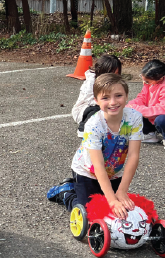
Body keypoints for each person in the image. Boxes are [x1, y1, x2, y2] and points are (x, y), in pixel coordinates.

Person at [47, 73, 143, 219]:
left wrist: (122, 191)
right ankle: (66, 192)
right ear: (96, 100)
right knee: (91, 213)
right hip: (87, 171)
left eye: (118, 95)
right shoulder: (94, 124)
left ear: (127, 96)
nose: (113, 102)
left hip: (113, 172)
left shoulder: (133, 118)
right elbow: (97, 164)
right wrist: (111, 199)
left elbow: (133, 156)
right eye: (105, 98)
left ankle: (107, 193)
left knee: (121, 210)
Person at [127, 59, 165, 150]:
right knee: (134, 112)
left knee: (161, 119)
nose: (144, 83)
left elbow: (163, 110)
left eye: (147, 81)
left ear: (160, 79)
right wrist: (130, 106)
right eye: (143, 79)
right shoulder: (150, 84)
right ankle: (149, 134)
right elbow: (142, 98)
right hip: (152, 117)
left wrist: (137, 108)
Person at [71, 54, 123, 136]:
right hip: (85, 109)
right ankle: (84, 128)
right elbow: (90, 100)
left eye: (116, 74)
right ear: (102, 72)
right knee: (97, 109)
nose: (113, 77)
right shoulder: (92, 82)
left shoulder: (116, 83)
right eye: (111, 74)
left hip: (105, 108)